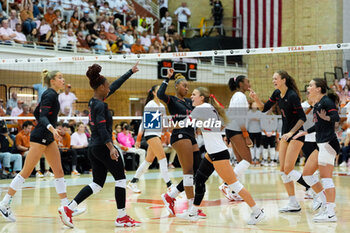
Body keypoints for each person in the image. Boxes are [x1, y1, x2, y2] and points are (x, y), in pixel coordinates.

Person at [58, 63, 141, 228]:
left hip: (93, 147)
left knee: (97, 183)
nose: (110, 88)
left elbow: (115, 86)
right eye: (107, 86)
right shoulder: (101, 105)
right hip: (103, 147)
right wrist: (111, 148)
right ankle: (121, 217)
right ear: (101, 87)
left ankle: (69, 208)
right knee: (121, 179)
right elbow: (103, 129)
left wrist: (129, 72)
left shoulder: (93, 101)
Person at [0, 70, 84, 222]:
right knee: (26, 171)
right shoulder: (50, 94)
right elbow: (43, 116)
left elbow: (37, 114)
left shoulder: (52, 95)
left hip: (47, 136)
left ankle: (65, 207)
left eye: (62, 77)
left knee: (58, 170)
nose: (63, 79)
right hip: (40, 137)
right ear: (52, 80)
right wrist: (51, 128)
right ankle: (4, 203)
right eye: (60, 77)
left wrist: (51, 128)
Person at [176, 87, 265, 225]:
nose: (191, 97)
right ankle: (193, 212)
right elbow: (217, 125)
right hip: (213, 153)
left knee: (234, 184)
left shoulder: (201, 109)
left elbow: (184, 123)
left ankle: (257, 211)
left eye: (194, 94)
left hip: (218, 153)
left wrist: (169, 124)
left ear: (202, 97)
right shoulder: (209, 108)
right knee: (199, 178)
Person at [249, 70, 311, 212]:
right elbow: (264, 109)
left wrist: (291, 132)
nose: (273, 81)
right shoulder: (277, 93)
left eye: (275, 78)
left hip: (296, 134)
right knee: (283, 171)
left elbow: (302, 118)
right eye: (273, 78)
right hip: (285, 134)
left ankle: (311, 187)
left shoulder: (292, 96)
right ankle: (293, 203)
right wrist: (256, 99)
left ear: (283, 80)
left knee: (289, 169)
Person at [158, 69, 205, 217]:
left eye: (188, 86)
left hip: (191, 136)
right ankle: (192, 207)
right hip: (180, 135)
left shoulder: (189, 102)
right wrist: (167, 78)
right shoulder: (172, 99)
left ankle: (170, 195)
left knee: (198, 171)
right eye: (184, 86)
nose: (187, 88)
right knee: (188, 172)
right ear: (177, 86)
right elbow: (160, 94)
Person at [294, 78, 340, 222]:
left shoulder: (326, 102)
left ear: (318, 88)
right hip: (321, 143)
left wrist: (326, 117)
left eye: (311, 85)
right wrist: (305, 132)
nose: (308, 87)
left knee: (326, 179)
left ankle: (331, 212)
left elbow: (335, 117)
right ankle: (323, 200)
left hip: (328, 143)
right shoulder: (317, 105)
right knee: (307, 174)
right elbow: (318, 125)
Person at [127, 85, 173, 193]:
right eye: (158, 90)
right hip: (150, 134)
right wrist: (138, 139)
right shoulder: (150, 104)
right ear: (153, 92)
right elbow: (144, 123)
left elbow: (165, 124)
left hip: (157, 135)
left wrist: (172, 123)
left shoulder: (162, 106)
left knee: (148, 161)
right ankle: (170, 186)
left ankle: (132, 182)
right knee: (162, 158)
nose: (161, 92)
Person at [219, 76, 253, 201]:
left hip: (231, 129)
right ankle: (226, 184)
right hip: (236, 129)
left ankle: (233, 190)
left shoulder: (237, 96)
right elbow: (240, 118)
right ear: (240, 83)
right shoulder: (240, 96)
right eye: (247, 81)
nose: (249, 83)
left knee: (241, 162)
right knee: (247, 160)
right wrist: (246, 136)